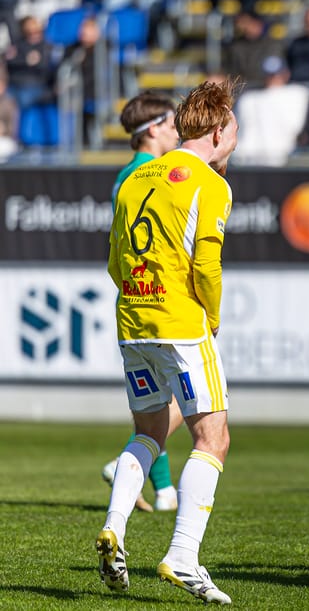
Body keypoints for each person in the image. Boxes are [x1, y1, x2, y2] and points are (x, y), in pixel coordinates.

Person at [98, 78, 240, 603]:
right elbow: (206, 262)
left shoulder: (136, 177)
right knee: (213, 438)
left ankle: (114, 528)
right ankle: (183, 556)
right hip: (182, 324)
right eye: (235, 133)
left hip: (133, 321)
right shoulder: (210, 182)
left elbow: (114, 260)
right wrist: (214, 317)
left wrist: (141, 296)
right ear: (220, 129)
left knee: (150, 431)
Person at [102, 91, 184, 514]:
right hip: (158, 300)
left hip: (134, 300)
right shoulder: (151, 175)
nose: (177, 131)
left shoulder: (126, 175)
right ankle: (129, 465)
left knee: (158, 400)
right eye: (172, 124)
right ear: (153, 128)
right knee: (185, 400)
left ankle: (163, 489)